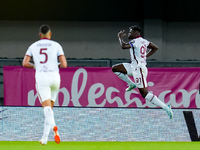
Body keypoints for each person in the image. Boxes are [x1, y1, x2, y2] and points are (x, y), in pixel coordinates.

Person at [112, 25, 173, 119]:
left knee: (145, 94)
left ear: (136, 32)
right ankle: (131, 84)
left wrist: (120, 37)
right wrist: (145, 56)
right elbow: (155, 47)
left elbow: (123, 46)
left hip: (139, 69)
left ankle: (165, 107)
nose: (129, 33)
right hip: (134, 67)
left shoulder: (135, 41)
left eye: (130, 31)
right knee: (115, 68)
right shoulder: (144, 41)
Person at [22, 24, 67, 145]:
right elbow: (64, 64)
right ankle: (44, 138)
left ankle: (54, 128)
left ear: (40, 35)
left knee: (46, 108)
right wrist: (54, 65)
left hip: (42, 78)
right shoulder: (56, 45)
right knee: (50, 110)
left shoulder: (33, 46)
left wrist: (35, 66)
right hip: (55, 78)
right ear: (50, 34)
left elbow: (25, 63)